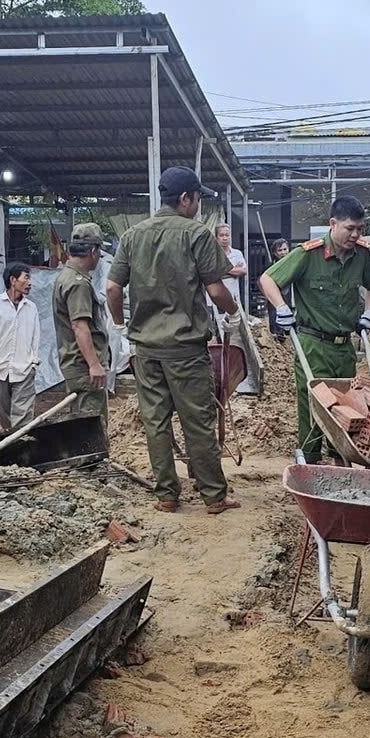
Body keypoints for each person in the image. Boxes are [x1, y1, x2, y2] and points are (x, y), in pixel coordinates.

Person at [106, 167, 241, 514]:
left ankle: (167, 494)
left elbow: (112, 288)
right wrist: (233, 313)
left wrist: (120, 326)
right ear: (185, 199)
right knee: (197, 422)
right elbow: (216, 289)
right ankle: (213, 496)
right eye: (197, 199)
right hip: (185, 348)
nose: (198, 206)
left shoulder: (133, 236)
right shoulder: (196, 234)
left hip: (146, 349)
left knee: (156, 423)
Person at [258, 197, 370, 463]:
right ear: (333, 223)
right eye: (350, 228)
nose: (355, 235)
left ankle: (342, 460)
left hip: (344, 348)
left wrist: (369, 312)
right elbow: (267, 279)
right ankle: (310, 461)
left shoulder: (362, 255)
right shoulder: (307, 255)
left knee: (348, 407)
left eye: (360, 228)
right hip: (313, 345)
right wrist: (281, 307)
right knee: (314, 405)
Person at [53, 223, 111, 422]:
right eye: (99, 251)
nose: (100, 256)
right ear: (93, 251)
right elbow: (80, 326)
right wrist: (94, 364)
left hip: (77, 365)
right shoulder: (78, 283)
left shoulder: (66, 277)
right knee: (92, 424)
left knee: (81, 422)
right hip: (84, 368)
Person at [0, 262, 42, 431]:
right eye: (26, 278)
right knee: (4, 415)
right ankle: (11, 440)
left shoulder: (31, 308)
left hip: (24, 368)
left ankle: (21, 441)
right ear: (13, 280)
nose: (30, 283)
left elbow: (35, 336)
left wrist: (33, 362)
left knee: (23, 417)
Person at [211, 224, 260, 396]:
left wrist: (225, 271)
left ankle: (235, 372)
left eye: (227, 235)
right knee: (217, 332)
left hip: (233, 299)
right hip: (215, 300)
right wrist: (232, 270)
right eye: (222, 235)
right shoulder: (212, 254)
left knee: (235, 334)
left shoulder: (237, 253)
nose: (225, 238)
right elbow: (211, 274)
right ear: (216, 237)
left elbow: (243, 271)